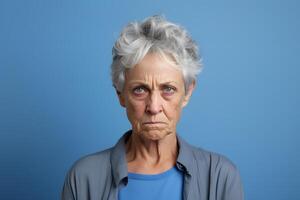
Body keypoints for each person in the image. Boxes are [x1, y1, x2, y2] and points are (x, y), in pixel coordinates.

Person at [61, 15, 244, 200]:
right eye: (140, 90)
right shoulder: (83, 178)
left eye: (168, 89)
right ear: (120, 95)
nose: (154, 107)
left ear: (187, 93)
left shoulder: (221, 176)